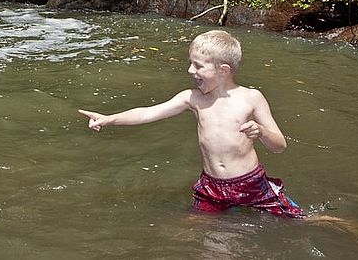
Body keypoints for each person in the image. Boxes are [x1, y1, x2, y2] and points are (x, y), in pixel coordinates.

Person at [78, 29, 304, 218]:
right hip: (212, 186)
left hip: (249, 183)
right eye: (190, 64)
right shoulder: (192, 98)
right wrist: (109, 119)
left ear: (223, 70)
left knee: (297, 220)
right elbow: (148, 113)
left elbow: (279, 146)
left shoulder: (251, 98)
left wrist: (261, 131)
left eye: (198, 66)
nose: (190, 70)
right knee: (197, 230)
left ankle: (334, 223)